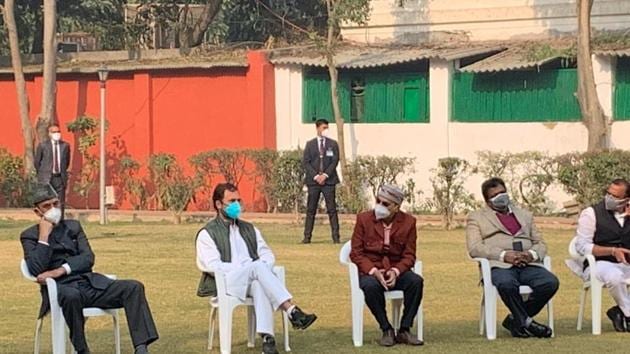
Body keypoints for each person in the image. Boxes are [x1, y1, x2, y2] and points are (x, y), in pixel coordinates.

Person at [20, 184, 159, 354]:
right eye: (46, 206)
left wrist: (60, 270)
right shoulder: (29, 235)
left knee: (133, 287)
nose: (53, 209)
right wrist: (43, 237)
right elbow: (36, 269)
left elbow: (88, 258)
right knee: (71, 296)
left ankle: (141, 347)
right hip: (60, 290)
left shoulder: (73, 227)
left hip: (89, 284)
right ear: (37, 212)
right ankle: (81, 349)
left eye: (55, 204)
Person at [196, 183, 317, 354]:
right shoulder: (207, 233)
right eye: (231, 201)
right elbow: (211, 265)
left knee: (260, 281)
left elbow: (267, 255)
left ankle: (268, 342)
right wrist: (246, 268)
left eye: (238, 200)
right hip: (227, 282)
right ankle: (291, 310)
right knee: (256, 267)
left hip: (253, 279)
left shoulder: (249, 228)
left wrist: (258, 269)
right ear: (218, 204)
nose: (236, 205)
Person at [466, 177, 559, 338]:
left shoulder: (525, 215)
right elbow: (474, 248)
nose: (501, 196)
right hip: (499, 265)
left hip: (527, 264)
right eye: (495, 195)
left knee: (550, 282)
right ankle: (526, 322)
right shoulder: (477, 217)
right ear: (488, 201)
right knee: (507, 284)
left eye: (503, 192)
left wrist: (532, 254)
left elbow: (540, 243)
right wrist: (503, 255)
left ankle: (516, 320)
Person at [350, 184, 424, 347]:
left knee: (416, 282)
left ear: (396, 207)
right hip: (371, 270)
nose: (380, 206)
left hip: (396, 268)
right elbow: (356, 253)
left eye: (386, 204)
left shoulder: (409, 222)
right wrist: (374, 271)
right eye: (378, 201)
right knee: (370, 287)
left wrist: (396, 271)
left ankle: (404, 329)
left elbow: (409, 255)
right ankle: (386, 329)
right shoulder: (363, 219)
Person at [572, 178, 630, 332]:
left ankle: (619, 311)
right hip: (599, 264)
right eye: (608, 194)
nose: (609, 198)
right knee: (614, 276)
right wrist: (611, 251)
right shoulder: (591, 213)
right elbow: (582, 245)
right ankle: (628, 314)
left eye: (616, 197)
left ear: (626, 200)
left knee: (618, 273)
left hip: (626, 264)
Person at [302, 118, 340, 244]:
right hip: (314, 182)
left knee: (332, 209)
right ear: (317, 128)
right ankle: (307, 237)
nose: (326, 130)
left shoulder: (333, 144)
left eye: (327, 128)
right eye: (324, 128)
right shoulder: (310, 144)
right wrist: (316, 176)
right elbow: (306, 162)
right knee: (311, 209)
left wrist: (325, 175)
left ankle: (336, 237)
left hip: (329, 181)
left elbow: (335, 161)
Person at [35, 124, 71, 215]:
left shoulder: (65, 146)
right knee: (46, 202)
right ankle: (48, 222)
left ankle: (60, 223)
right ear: (49, 133)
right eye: (54, 132)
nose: (57, 134)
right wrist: (42, 174)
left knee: (60, 202)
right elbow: (37, 162)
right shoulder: (43, 146)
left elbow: (66, 162)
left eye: (58, 131)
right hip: (46, 178)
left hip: (59, 178)